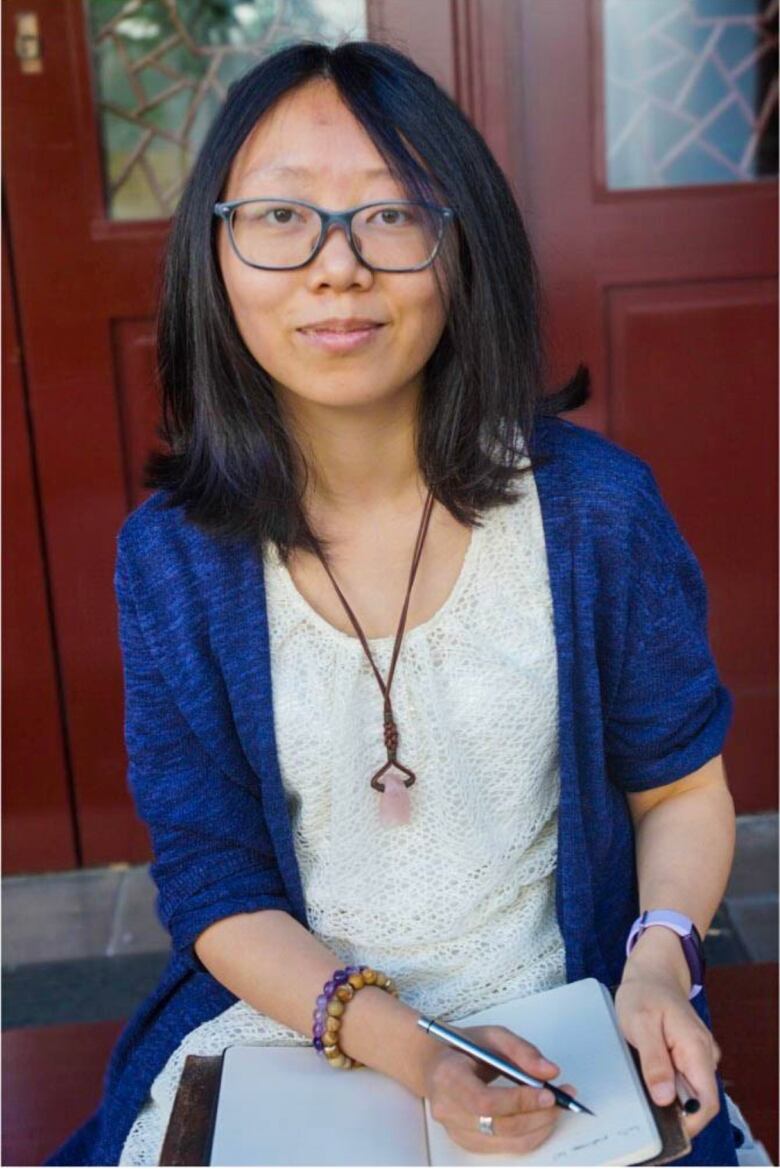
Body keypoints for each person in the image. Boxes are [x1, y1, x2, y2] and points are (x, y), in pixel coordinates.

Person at [47, 38, 740, 1167]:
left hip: (568, 1022)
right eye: (280, 215)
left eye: (390, 214)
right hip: (305, 1021)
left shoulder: (597, 511)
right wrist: (415, 1049)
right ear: (213, 256)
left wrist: (661, 953)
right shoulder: (172, 558)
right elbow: (215, 882)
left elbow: (682, 789)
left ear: (463, 245)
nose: (336, 267)